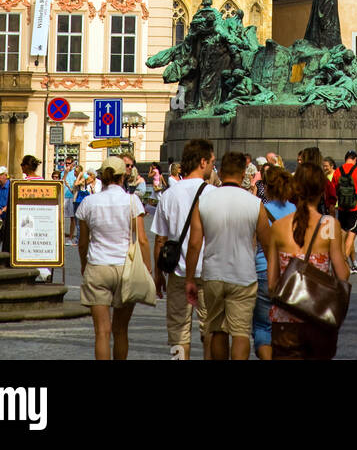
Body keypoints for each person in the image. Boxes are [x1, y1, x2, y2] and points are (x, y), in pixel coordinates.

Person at [184, 151, 272, 361]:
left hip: (213, 275)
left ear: (221, 172)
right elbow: (267, 244)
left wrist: (189, 279)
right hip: (244, 275)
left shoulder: (204, 201)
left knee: (217, 329)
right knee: (241, 331)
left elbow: (195, 244)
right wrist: (274, 274)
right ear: (243, 174)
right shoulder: (254, 204)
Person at [266, 162, 349, 360]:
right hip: (319, 320)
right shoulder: (329, 225)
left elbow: (271, 285)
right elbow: (343, 274)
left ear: (295, 189)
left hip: (284, 323)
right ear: (322, 190)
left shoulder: (278, 227)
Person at [77, 156, 150, 361]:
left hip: (98, 266)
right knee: (120, 330)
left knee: (102, 331)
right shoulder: (132, 200)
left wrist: (84, 264)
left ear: (102, 176)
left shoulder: (88, 202)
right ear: (122, 176)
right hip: (125, 267)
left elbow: (83, 242)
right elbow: (142, 240)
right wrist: (147, 268)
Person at [153, 139, 214, 361]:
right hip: (208, 273)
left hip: (178, 273)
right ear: (202, 161)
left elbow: (160, 240)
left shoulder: (170, 194)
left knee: (178, 332)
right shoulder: (213, 194)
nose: (212, 168)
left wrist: (158, 273)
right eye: (211, 162)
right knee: (210, 330)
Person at [253, 164, 296, 360]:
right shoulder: (294, 210)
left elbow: (253, 245)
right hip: (290, 273)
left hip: (263, 270)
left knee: (263, 326)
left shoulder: (261, 210)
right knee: (286, 325)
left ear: (267, 188)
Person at [333, 150, 357, 272]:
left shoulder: (338, 171)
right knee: (351, 235)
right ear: (355, 159)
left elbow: (334, 189)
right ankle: (343, 263)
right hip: (355, 207)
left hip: (342, 207)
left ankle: (341, 261)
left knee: (342, 234)